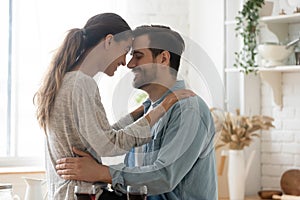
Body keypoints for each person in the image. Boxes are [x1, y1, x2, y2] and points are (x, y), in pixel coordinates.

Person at [34, 14, 194, 200]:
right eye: (126, 50)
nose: (126, 62)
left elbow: (101, 136)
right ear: (109, 41)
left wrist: (142, 110)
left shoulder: (66, 80)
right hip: (84, 194)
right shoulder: (82, 84)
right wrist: (162, 108)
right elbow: (109, 145)